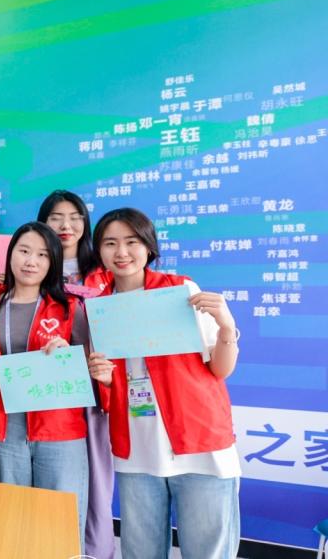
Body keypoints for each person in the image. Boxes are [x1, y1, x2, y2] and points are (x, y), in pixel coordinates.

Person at [86, 208, 241, 559]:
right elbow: (111, 391)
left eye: (131, 242)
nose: (121, 252)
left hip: (200, 447)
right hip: (138, 453)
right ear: (99, 251)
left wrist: (227, 328)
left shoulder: (181, 290)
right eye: (110, 243)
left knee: (208, 553)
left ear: (149, 246)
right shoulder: (99, 309)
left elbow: (220, 369)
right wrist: (104, 379)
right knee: (140, 553)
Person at [0, 221, 91, 543]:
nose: (31, 261)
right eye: (24, 251)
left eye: (42, 255)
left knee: (60, 518)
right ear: (11, 254)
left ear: (53, 262)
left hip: (58, 425)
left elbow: (90, 362)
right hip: (4, 423)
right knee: (9, 514)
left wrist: (68, 354)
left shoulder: (69, 307)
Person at [38, 189, 114, 559]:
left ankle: (95, 551)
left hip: (94, 392)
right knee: (52, 481)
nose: (65, 225)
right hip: (48, 394)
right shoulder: (34, 269)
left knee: (96, 476)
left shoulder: (104, 272)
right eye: (55, 218)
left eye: (74, 217)